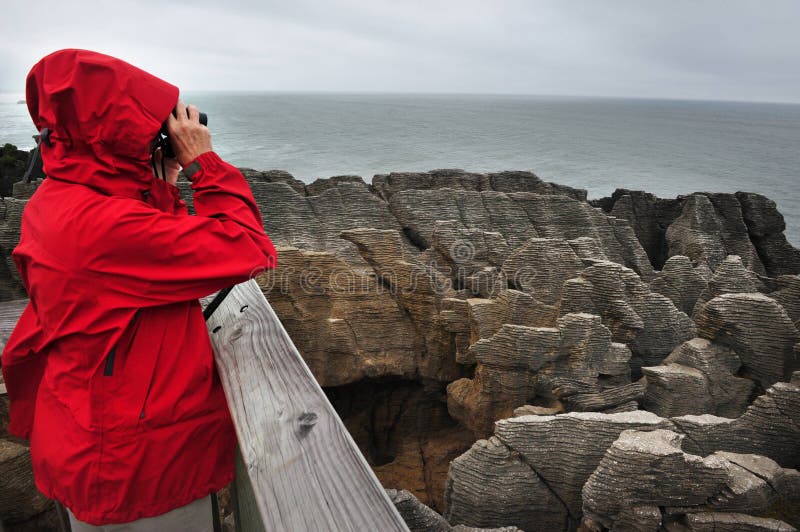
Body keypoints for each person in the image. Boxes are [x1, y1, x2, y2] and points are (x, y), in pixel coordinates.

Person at [0, 49, 278, 530]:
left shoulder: (57, 199)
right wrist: (204, 164)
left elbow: (148, 257)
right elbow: (250, 248)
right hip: (137, 469)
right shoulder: (104, 227)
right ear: (116, 132)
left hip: (90, 436)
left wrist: (162, 181)